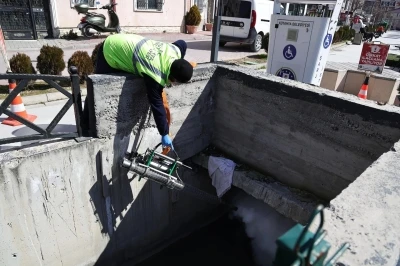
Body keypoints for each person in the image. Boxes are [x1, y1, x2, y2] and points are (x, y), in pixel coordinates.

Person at [81, 33, 194, 151]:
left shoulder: (174, 52)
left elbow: (183, 43)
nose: (175, 85)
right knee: (95, 88)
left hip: (125, 40)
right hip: (110, 49)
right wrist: (164, 133)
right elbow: (157, 104)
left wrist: (183, 67)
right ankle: (84, 125)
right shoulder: (155, 73)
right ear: (173, 78)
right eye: (177, 83)